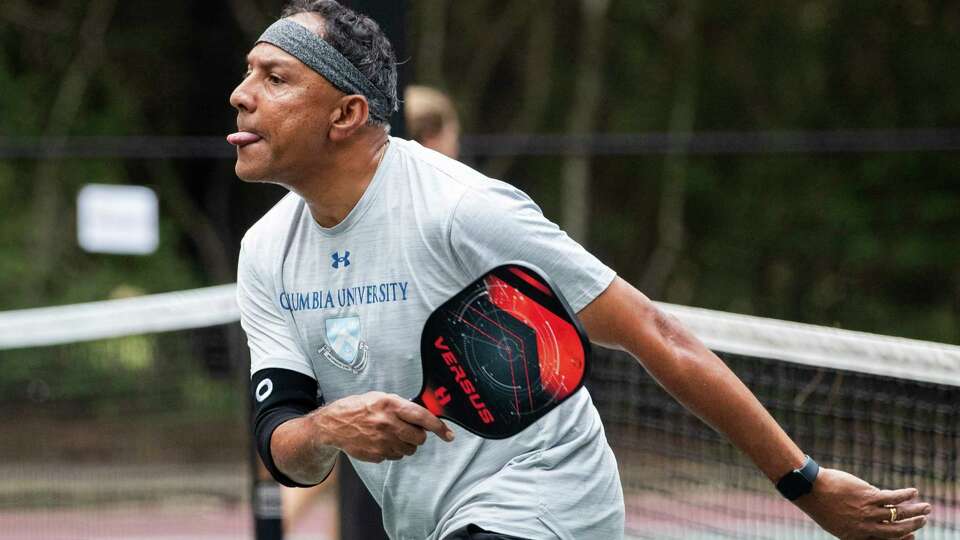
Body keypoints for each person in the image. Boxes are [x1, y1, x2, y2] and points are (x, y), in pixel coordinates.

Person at [229, 2, 931, 539]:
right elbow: (283, 440)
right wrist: (327, 430)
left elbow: (655, 332)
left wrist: (804, 484)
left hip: (544, 505)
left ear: (347, 113)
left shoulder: (462, 209)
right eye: (248, 71)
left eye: (275, 77)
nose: (241, 92)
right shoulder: (266, 252)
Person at [279, 83, 463, 533]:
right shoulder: (436, 198)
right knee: (339, 466)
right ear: (437, 136)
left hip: (368, 366)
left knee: (348, 475)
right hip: (383, 368)